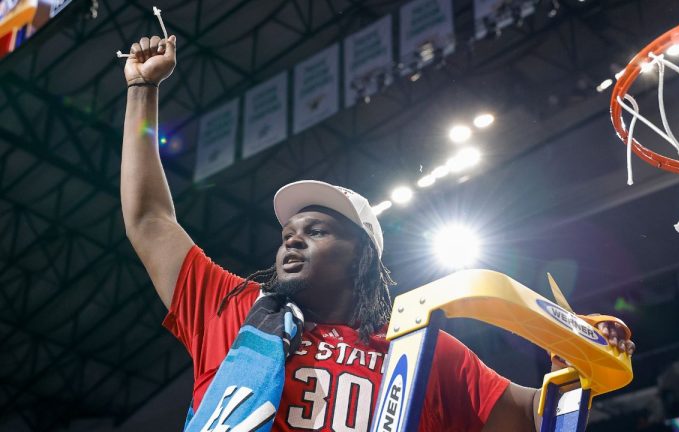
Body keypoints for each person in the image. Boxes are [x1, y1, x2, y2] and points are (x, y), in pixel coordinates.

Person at [120, 34, 635, 431]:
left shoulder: (419, 347)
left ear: (360, 257)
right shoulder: (231, 310)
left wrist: (572, 362)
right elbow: (149, 221)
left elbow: (528, 417)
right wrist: (142, 90)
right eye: (288, 234)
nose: (292, 239)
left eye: (316, 230)